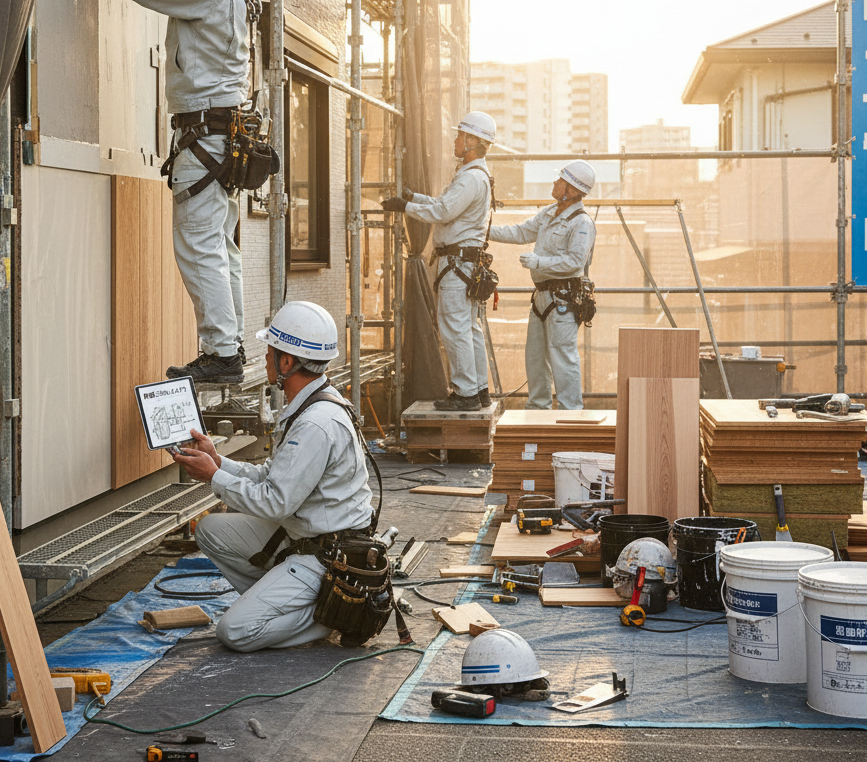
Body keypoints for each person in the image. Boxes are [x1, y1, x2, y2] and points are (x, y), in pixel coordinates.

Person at [107, 0, 271, 384]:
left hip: (205, 142)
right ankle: (231, 347)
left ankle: (220, 353)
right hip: (221, 142)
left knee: (200, 247)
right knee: (220, 248)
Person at [174, 301, 374, 652]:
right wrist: (218, 462)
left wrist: (212, 478)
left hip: (326, 555)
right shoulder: (312, 405)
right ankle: (280, 599)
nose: (264, 359)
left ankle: (329, 612)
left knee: (235, 632)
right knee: (209, 530)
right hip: (310, 536)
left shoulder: (314, 423)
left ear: (286, 362)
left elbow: (274, 501)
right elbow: (272, 476)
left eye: (270, 352)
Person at [381, 112, 495, 412]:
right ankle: (479, 390)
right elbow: (445, 206)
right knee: (469, 328)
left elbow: (443, 212)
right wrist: (415, 198)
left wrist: (405, 206)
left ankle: (466, 393)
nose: (455, 140)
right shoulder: (473, 175)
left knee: (455, 328)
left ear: (472, 141)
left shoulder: (471, 177)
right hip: (465, 264)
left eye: (460, 136)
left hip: (458, 266)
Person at [488, 160, 597, 410]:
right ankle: (538, 408)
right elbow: (519, 232)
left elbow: (575, 261)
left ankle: (571, 413)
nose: (555, 183)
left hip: (563, 300)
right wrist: (484, 230)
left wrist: (540, 262)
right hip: (542, 298)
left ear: (571, 189)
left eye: (560, 180)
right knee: (536, 356)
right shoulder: (549, 213)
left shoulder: (581, 223)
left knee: (562, 356)